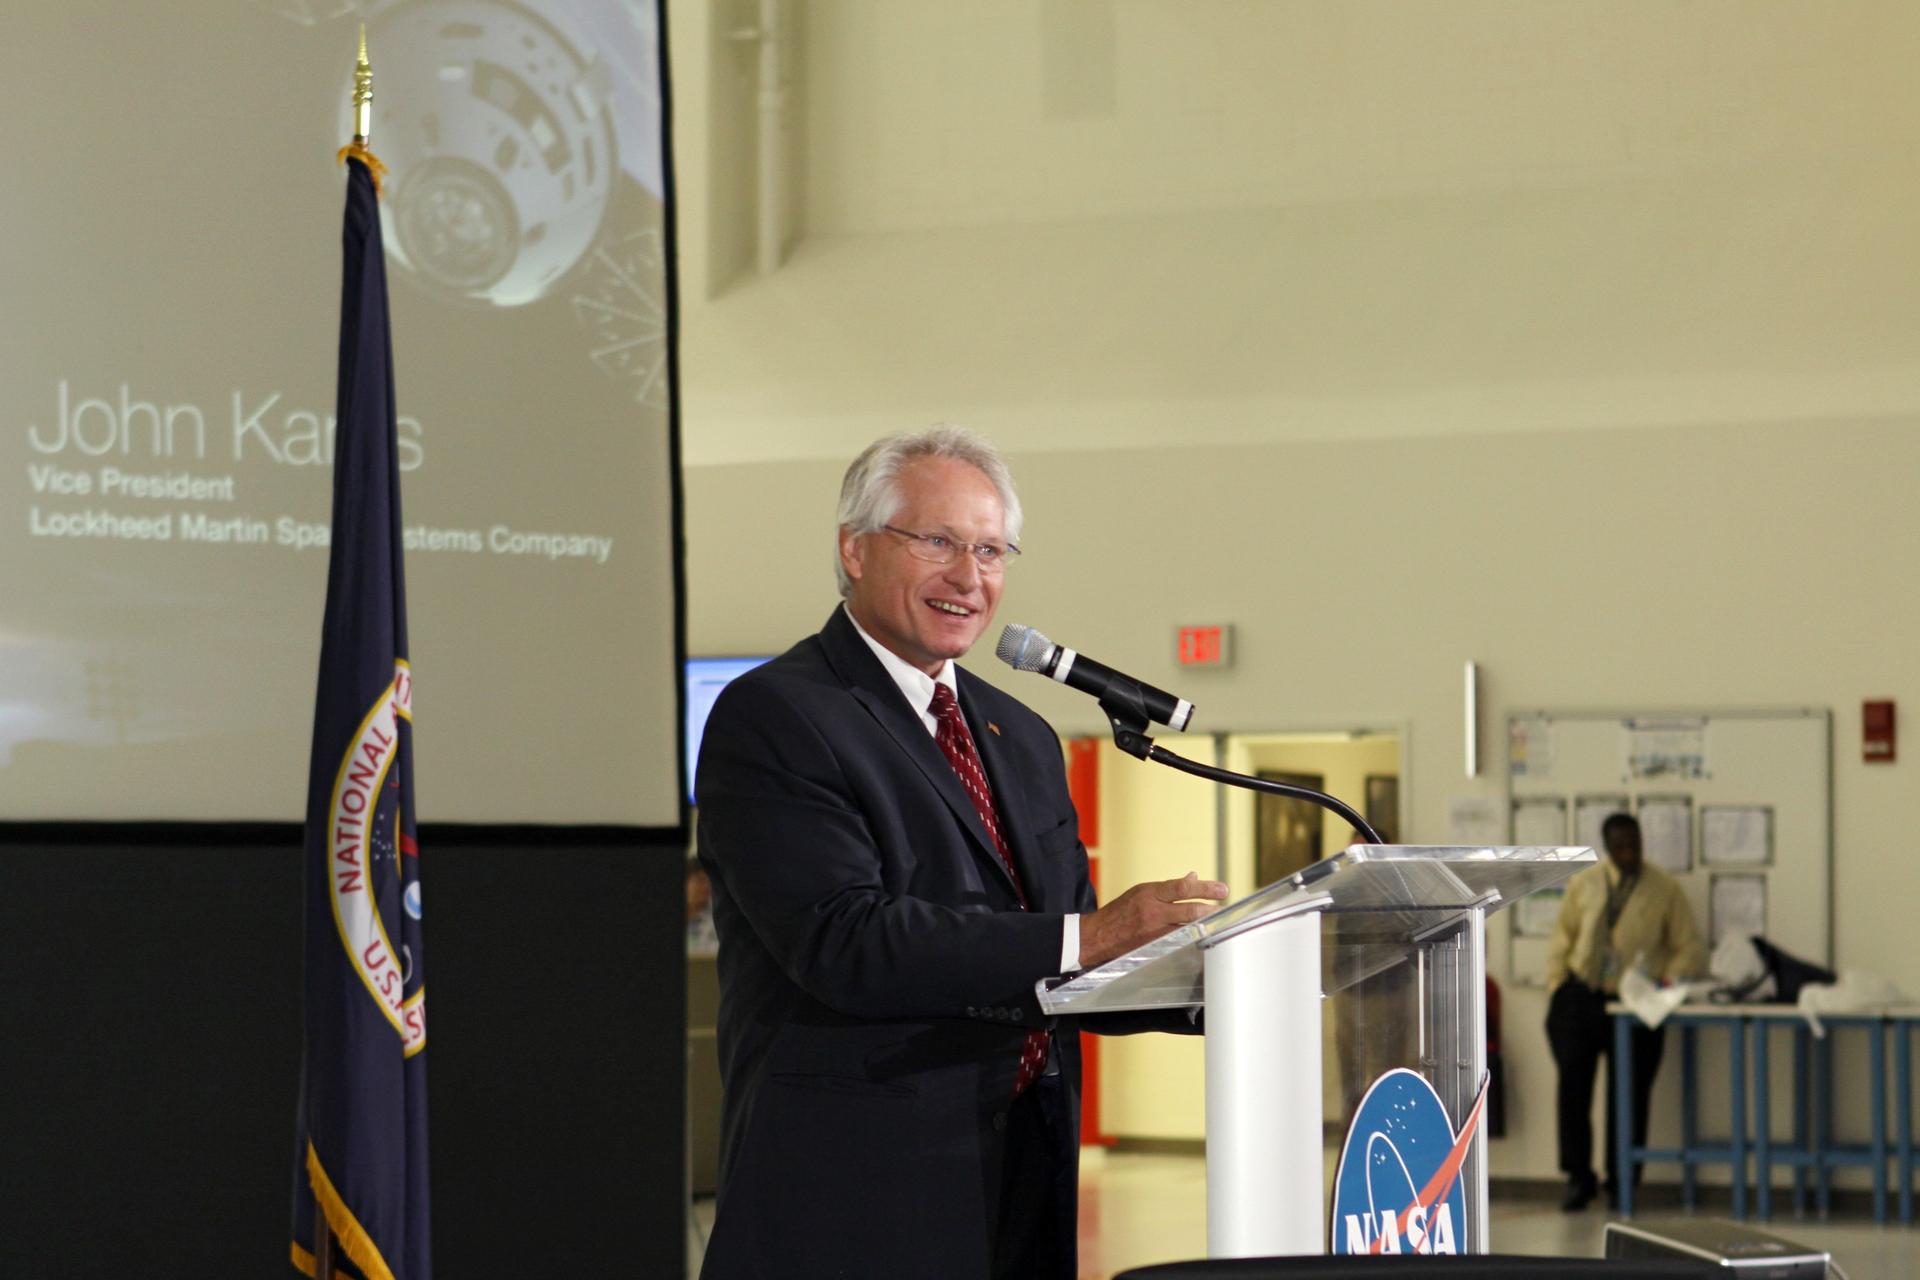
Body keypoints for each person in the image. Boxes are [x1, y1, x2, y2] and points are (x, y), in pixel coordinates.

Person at [694, 426, 1227, 1279]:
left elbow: (1066, 964)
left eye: (989, 550)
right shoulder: (778, 716)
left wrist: (1221, 978)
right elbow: (844, 941)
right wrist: (1091, 936)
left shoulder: (1021, 734)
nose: (969, 577)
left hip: (1019, 1178)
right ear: (855, 549)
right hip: (857, 1198)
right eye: (937, 542)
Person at [1545, 811, 1704, 1210]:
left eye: (1635, 844)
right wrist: (1558, 986)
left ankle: (1623, 1181)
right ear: (1608, 847)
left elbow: (1689, 946)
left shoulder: (1664, 888)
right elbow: (1562, 938)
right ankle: (1578, 1178)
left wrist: (1665, 983)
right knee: (1573, 1091)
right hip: (1582, 997)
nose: (1629, 852)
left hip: (1634, 1003)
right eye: (1621, 846)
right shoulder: (1585, 884)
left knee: (1630, 1095)